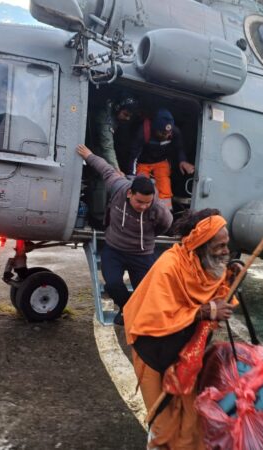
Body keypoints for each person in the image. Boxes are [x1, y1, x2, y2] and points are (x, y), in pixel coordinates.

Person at [123, 208, 239, 450]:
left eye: (226, 244)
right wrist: (205, 311)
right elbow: (156, 317)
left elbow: (217, 295)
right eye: (219, 246)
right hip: (153, 351)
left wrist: (230, 279)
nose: (225, 251)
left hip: (186, 352)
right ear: (201, 246)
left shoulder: (211, 267)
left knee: (191, 420)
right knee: (163, 424)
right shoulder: (169, 265)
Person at [76, 143, 173, 326]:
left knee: (146, 291)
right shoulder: (119, 187)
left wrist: (148, 237)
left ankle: (136, 313)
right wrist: (88, 155)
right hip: (115, 249)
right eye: (140, 202)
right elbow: (105, 169)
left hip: (142, 254)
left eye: (147, 202)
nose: (144, 206)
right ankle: (127, 308)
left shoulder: (157, 208)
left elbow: (166, 224)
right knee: (113, 285)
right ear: (130, 193)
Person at [86, 94, 140, 226]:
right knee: (102, 180)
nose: (127, 118)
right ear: (117, 108)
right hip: (95, 151)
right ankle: (98, 219)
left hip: (100, 151)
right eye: (125, 114)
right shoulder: (106, 120)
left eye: (130, 116)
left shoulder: (115, 117)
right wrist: (116, 169)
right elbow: (107, 147)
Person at [129, 108, 195, 210]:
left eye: (168, 133)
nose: (167, 136)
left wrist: (183, 161)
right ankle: (142, 210)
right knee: (142, 186)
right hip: (143, 163)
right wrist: (131, 175)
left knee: (165, 186)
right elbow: (133, 155)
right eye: (163, 133)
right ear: (155, 129)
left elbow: (179, 148)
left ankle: (166, 211)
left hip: (161, 162)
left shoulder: (174, 132)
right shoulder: (143, 132)